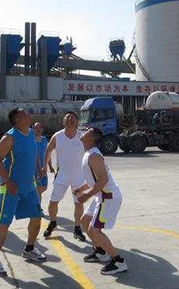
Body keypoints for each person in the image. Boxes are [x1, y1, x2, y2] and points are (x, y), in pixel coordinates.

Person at [0, 109, 45, 277]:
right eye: (25, 114)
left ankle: (29, 249)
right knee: (4, 224)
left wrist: (39, 168)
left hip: (29, 187)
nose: (29, 115)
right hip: (12, 189)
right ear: (18, 120)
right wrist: (8, 180)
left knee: (37, 217)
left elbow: (33, 152)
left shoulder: (31, 133)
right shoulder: (10, 137)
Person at [73, 127, 127, 275]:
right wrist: (82, 189)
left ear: (91, 138)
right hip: (101, 196)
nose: (83, 131)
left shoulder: (94, 156)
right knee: (84, 221)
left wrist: (86, 195)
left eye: (87, 131)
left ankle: (118, 261)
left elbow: (103, 179)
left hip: (108, 197)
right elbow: (94, 179)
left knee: (94, 230)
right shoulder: (89, 153)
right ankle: (101, 252)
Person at [41, 112, 87, 242]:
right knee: (53, 203)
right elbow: (48, 150)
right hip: (62, 176)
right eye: (67, 118)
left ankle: (77, 228)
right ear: (63, 121)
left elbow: (90, 153)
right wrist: (45, 167)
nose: (70, 120)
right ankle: (53, 222)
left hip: (78, 177)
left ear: (77, 122)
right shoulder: (57, 136)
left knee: (79, 204)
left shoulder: (83, 136)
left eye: (73, 118)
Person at [34, 122, 54, 203]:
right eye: (36, 128)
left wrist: (50, 166)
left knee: (44, 187)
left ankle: (35, 202)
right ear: (33, 129)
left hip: (44, 168)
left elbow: (48, 153)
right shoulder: (30, 140)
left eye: (40, 127)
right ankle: (38, 207)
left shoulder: (44, 139)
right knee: (38, 188)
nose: (38, 129)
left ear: (42, 129)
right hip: (34, 169)